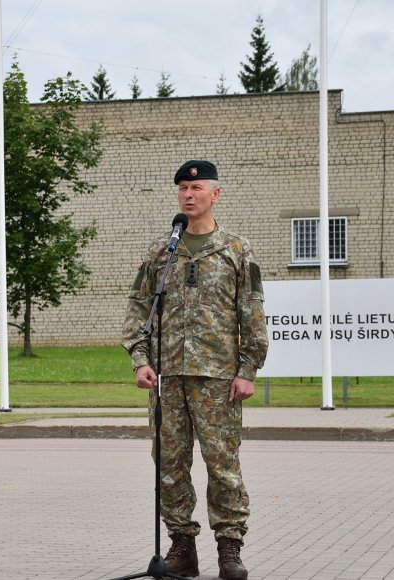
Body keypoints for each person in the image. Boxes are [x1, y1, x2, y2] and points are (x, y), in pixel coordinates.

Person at [121, 160, 269, 580]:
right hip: (167, 378)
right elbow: (138, 309)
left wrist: (248, 369)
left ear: (215, 194)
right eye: (183, 188)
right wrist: (141, 359)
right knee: (169, 464)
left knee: (222, 464)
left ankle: (230, 549)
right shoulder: (161, 252)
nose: (188, 194)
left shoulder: (236, 251)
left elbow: (252, 315)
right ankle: (181, 547)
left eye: (197, 187)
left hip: (218, 379)